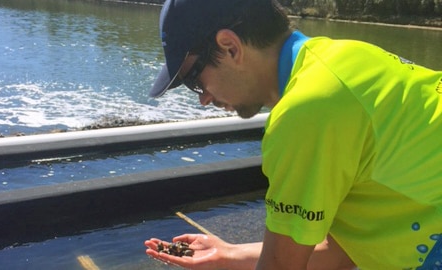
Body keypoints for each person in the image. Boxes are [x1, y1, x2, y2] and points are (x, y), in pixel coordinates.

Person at [144, 0, 442, 269]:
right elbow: (344, 252)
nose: (203, 99)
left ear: (230, 47)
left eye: (194, 80)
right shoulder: (343, 57)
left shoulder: (305, 113)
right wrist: (229, 256)